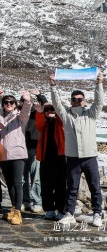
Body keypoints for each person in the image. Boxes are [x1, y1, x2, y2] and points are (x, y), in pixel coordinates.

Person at [50, 72, 104, 227]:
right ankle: (69, 213)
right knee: (72, 187)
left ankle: (97, 213)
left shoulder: (91, 114)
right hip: (73, 157)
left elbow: (99, 102)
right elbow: (56, 103)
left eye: (80, 99)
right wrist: (53, 86)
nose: (77, 101)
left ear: (84, 102)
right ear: (71, 101)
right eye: (74, 99)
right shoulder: (66, 116)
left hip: (90, 157)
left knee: (95, 187)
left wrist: (99, 83)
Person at [0, 89, 31, 225]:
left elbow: (26, 110)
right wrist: (0, 97)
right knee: (9, 184)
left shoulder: (19, 117)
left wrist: (27, 100)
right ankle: (13, 208)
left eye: (11, 102)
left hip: (17, 154)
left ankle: (18, 212)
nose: (9, 104)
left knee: (17, 183)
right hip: (4, 155)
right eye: (6, 102)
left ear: (16, 104)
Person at [34, 102, 66, 221]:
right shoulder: (44, 124)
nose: (49, 111)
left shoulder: (61, 122)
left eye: (52, 109)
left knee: (61, 185)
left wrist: (57, 110)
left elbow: (62, 118)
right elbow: (39, 123)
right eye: (47, 110)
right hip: (46, 158)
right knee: (46, 185)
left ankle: (62, 209)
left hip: (61, 157)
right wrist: (40, 111)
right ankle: (49, 209)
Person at [21, 89, 47, 213]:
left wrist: (38, 95)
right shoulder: (19, 115)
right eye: (23, 101)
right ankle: (25, 200)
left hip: (34, 147)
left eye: (27, 101)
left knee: (35, 176)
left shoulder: (36, 112)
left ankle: (37, 201)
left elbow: (45, 104)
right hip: (20, 148)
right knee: (22, 177)